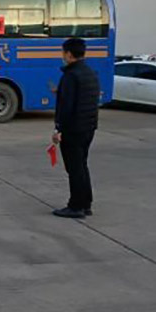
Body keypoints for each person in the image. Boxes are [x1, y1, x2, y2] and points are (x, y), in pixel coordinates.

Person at [51, 38, 100, 219]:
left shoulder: (71, 76)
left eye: (63, 53)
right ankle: (86, 204)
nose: (62, 56)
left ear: (69, 54)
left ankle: (76, 206)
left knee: (74, 168)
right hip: (88, 127)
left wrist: (58, 129)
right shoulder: (90, 73)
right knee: (81, 165)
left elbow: (66, 106)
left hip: (73, 129)